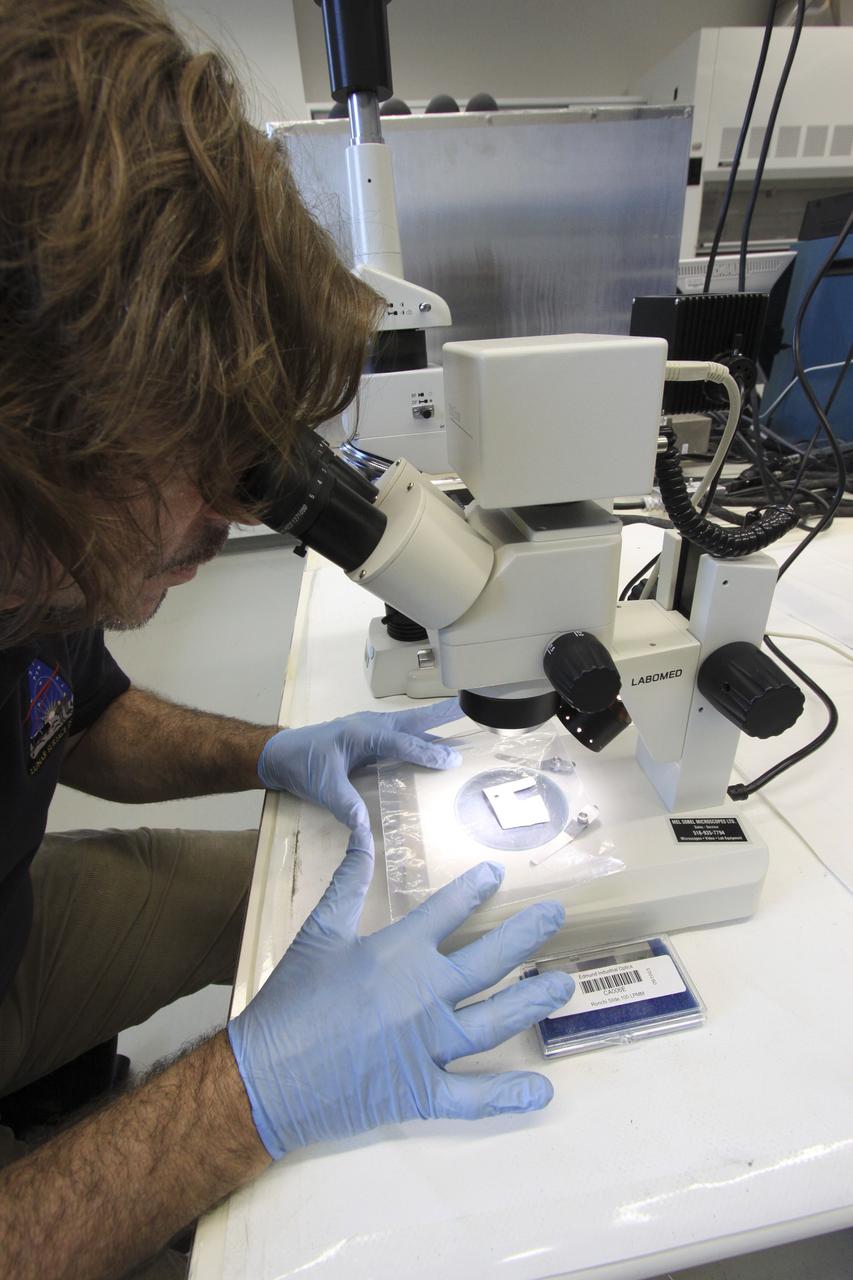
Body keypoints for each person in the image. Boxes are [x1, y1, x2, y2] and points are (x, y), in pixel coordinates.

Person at [0, 3, 574, 1277]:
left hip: (19, 921)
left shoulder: (35, 552)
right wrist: (244, 1097)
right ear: (34, 413)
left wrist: (289, 750)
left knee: (318, 899)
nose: (239, 508)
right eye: (204, 446)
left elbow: (77, 713)